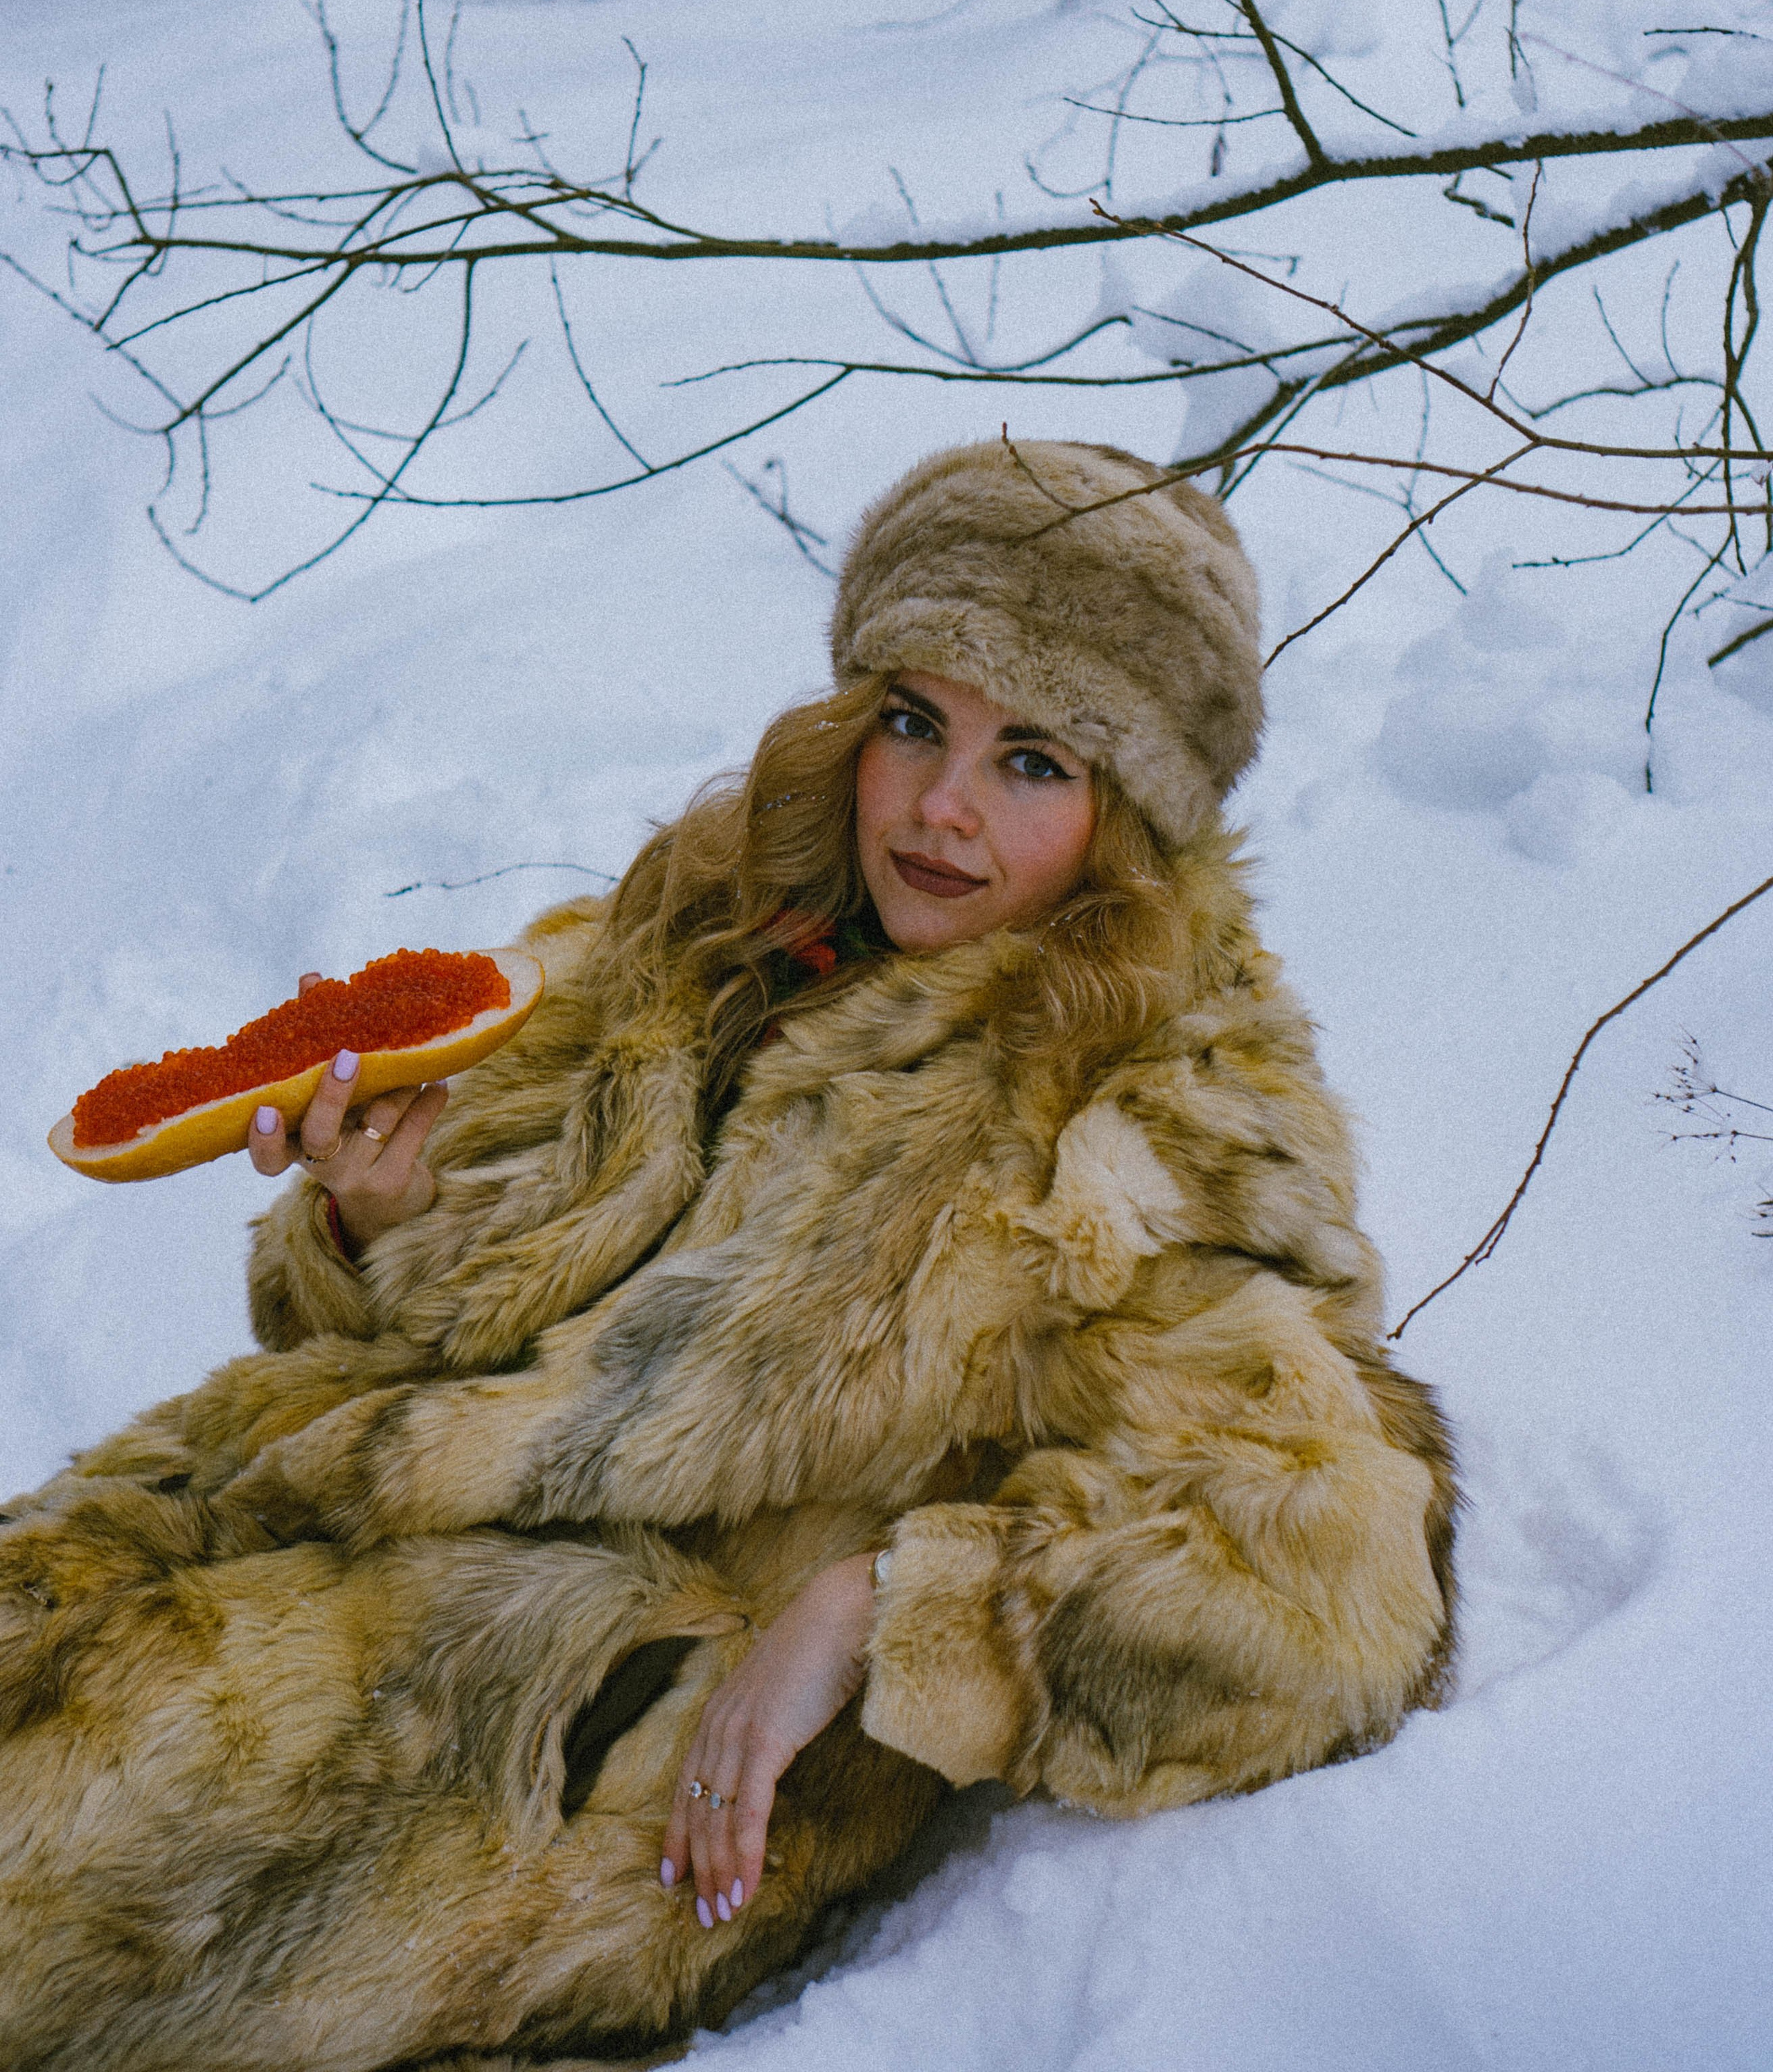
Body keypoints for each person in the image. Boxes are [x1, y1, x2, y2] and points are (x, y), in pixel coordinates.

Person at [0, 439, 1456, 2072]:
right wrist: (375, 1219)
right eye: (913, 723)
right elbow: (404, 1321)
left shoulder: (1158, 1111)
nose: (942, 806)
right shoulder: (708, 929)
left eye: (1032, 760)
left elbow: (1330, 1578)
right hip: (276, 1526)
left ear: (1132, 811)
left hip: (538, 1728)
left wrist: (883, 1610)